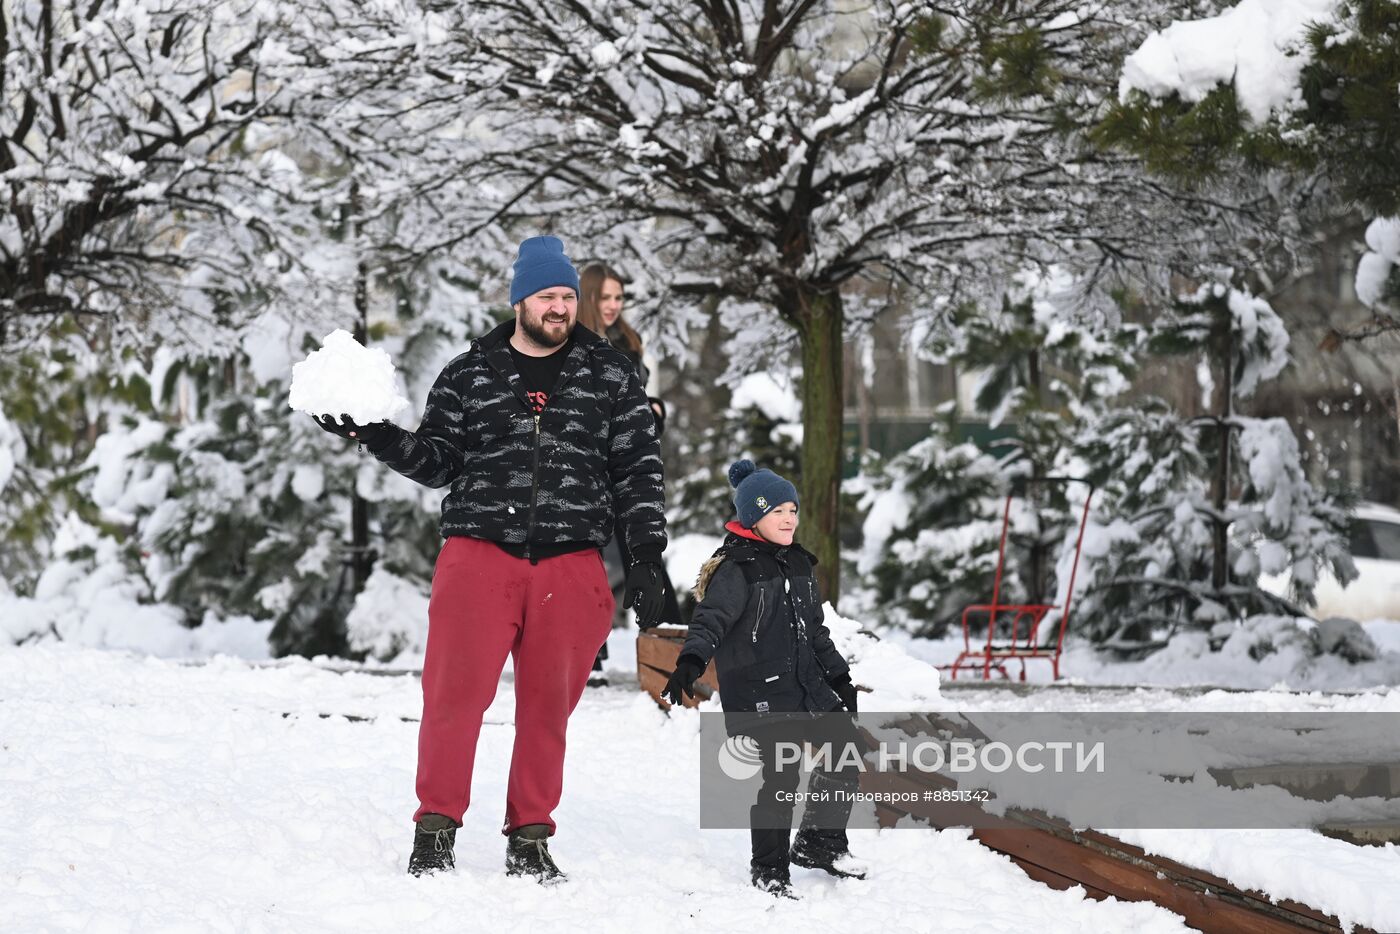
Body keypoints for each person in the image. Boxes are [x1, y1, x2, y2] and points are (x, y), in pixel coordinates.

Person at [312, 235, 668, 882]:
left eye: (567, 296)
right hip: (479, 556)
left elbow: (638, 474)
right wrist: (374, 433)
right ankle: (435, 829)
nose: (559, 308)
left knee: (547, 710)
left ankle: (530, 836)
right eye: (546, 296)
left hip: (571, 561)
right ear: (519, 300)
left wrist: (647, 558)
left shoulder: (613, 377)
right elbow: (438, 461)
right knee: (452, 698)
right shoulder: (470, 372)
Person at [661, 459, 865, 898]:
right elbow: (710, 621)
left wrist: (840, 678)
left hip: (805, 686)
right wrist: (691, 662)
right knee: (782, 776)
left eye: (793, 510)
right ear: (754, 517)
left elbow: (815, 631)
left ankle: (819, 842)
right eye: (778, 512)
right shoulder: (735, 570)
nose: (790, 518)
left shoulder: (798, 565)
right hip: (759, 694)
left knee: (845, 752)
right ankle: (769, 868)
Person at [575, 264, 682, 683]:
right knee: (587, 562)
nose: (614, 306)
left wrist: (653, 410)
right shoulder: (575, 346)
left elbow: (635, 402)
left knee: (645, 553)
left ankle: (672, 649)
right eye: (605, 298)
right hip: (588, 471)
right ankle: (587, 656)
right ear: (588, 299)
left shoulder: (628, 341)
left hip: (628, 467)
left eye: (619, 297)